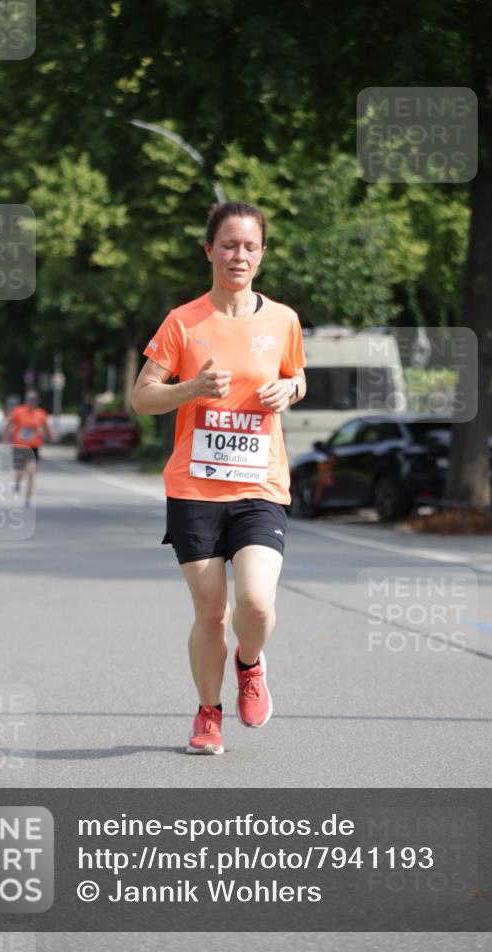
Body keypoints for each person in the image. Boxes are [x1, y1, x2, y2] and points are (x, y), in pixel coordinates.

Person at [132, 201, 306, 755]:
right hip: (195, 489)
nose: (239, 255)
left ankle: (249, 664)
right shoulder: (183, 322)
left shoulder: (283, 320)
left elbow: (297, 375)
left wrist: (290, 390)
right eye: (229, 244)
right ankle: (209, 714)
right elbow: (141, 397)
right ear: (209, 250)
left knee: (256, 604)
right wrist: (192, 389)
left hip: (260, 486)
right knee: (211, 613)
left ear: (262, 253)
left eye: (250, 246)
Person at [2, 390, 57, 507]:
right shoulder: (18, 411)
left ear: (37, 401)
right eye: (30, 400)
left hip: (33, 447)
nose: (32, 403)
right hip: (19, 446)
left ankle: (28, 498)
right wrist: (5, 438)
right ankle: (17, 483)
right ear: (26, 401)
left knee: (31, 472)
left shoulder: (41, 414)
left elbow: (46, 428)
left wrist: (52, 437)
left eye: (34, 400)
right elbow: (8, 425)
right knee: (20, 472)